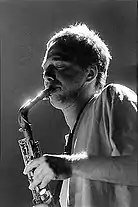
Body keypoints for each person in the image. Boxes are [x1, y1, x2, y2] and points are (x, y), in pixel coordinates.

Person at [23, 23, 138, 207]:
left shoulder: (113, 97)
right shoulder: (71, 145)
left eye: (59, 65)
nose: (47, 75)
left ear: (90, 73)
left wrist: (70, 165)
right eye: (45, 69)